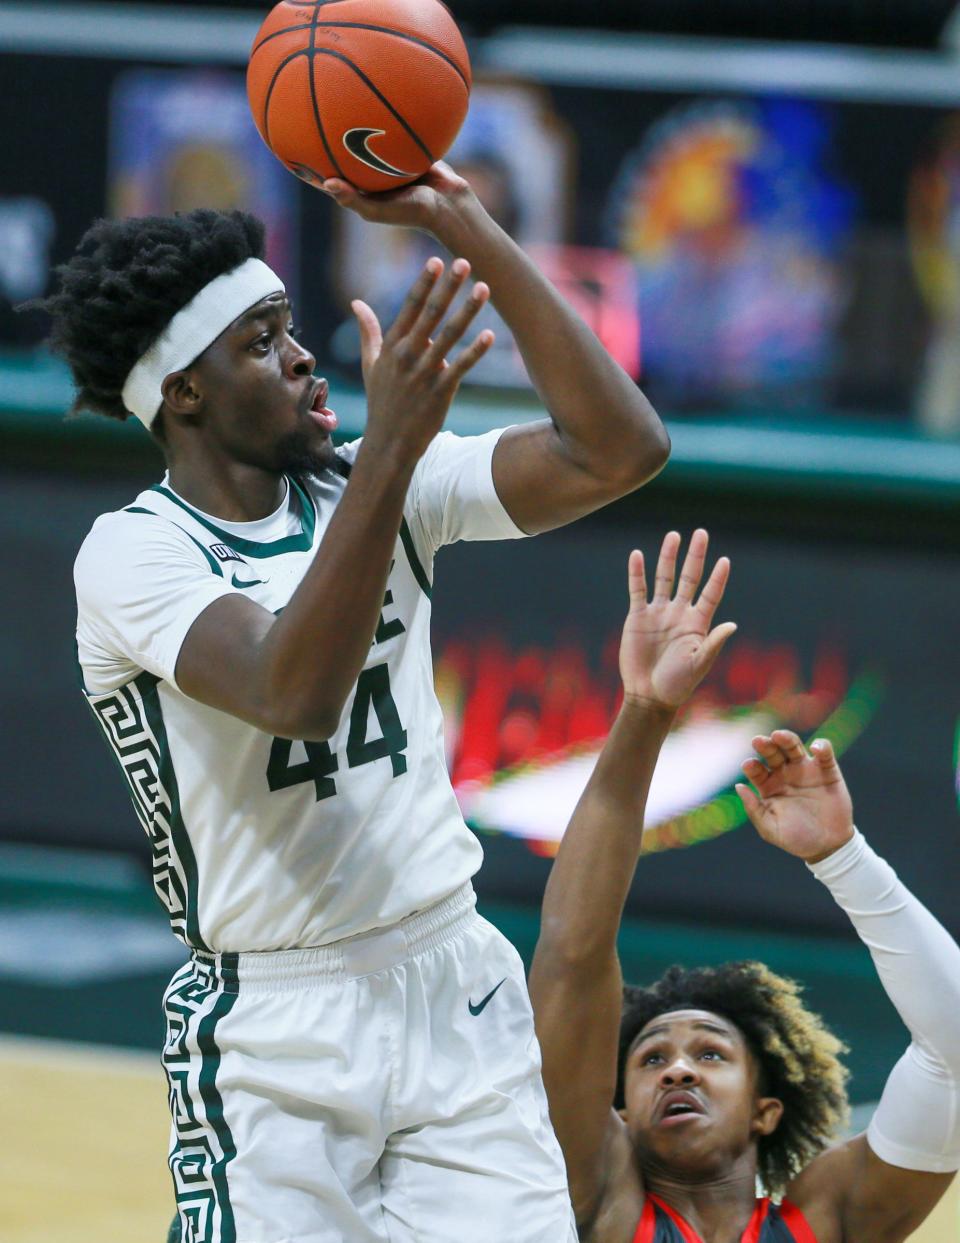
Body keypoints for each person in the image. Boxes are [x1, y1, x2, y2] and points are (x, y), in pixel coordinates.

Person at [36, 159, 669, 1243]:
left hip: (453, 976)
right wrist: (389, 448)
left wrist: (463, 222)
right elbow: (294, 691)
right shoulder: (136, 554)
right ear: (182, 392)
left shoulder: (371, 482)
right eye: (259, 343)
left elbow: (621, 449)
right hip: (279, 1021)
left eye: (290, 325)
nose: (299, 356)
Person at [530, 529, 960, 1243]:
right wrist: (644, 712)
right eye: (651, 1060)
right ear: (619, 1113)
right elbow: (574, 952)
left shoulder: (830, 1218)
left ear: (765, 1108)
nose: (676, 1071)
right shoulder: (595, 1197)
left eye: (709, 1053)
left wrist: (842, 856)